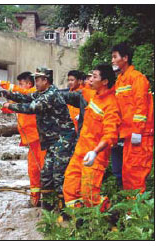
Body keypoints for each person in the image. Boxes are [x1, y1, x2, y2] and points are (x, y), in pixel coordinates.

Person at [0, 67, 76, 211]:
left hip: (62, 140)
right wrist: (5, 93)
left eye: (37, 80)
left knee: (59, 177)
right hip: (52, 141)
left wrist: (10, 105)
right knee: (46, 175)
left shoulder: (50, 95)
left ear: (45, 80)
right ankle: (47, 210)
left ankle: (65, 211)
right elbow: (27, 97)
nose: (35, 82)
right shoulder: (42, 93)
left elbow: (31, 107)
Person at [62, 64, 121, 210]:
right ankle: (79, 221)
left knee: (89, 195)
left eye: (94, 77)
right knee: (69, 190)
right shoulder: (93, 95)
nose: (90, 80)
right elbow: (78, 92)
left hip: (95, 156)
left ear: (105, 81)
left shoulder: (111, 105)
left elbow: (110, 135)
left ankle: (110, 216)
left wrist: (95, 152)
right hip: (80, 151)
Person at [0, 72, 47, 207]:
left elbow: (21, 92)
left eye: (22, 83)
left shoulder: (35, 94)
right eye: (20, 84)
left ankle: (49, 200)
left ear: (29, 84)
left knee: (44, 169)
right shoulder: (20, 100)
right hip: (31, 142)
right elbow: (2, 108)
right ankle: (35, 199)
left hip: (41, 140)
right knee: (33, 170)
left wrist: (2, 84)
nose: (20, 86)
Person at [112, 43, 154, 193]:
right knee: (128, 171)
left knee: (137, 171)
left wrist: (137, 131)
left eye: (115, 57)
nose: (112, 60)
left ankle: (137, 211)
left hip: (140, 134)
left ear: (125, 58)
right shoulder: (120, 81)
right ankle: (131, 210)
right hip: (129, 134)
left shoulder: (137, 78)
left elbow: (140, 106)